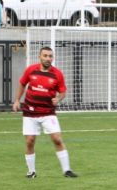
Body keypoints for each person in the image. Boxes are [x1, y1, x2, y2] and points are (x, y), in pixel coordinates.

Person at [13, 46, 78, 179]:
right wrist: (17, 100)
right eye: (45, 56)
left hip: (48, 113)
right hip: (30, 112)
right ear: (39, 57)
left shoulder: (57, 74)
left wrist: (58, 98)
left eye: (50, 56)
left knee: (57, 139)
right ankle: (31, 172)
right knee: (30, 141)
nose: (48, 58)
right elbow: (22, 84)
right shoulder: (31, 70)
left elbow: (63, 92)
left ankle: (67, 170)